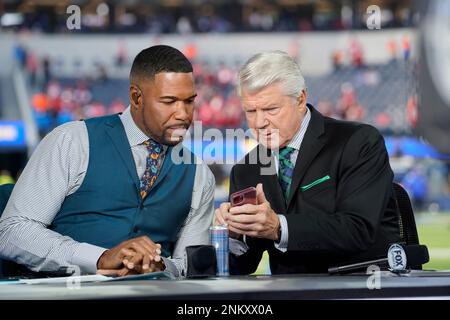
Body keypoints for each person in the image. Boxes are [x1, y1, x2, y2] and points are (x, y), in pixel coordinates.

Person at [0, 45, 215, 278]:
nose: (183, 114)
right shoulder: (72, 141)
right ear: (136, 97)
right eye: (169, 101)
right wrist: (99, 258)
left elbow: (191, 266)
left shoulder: (200, 175)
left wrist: (161, 266)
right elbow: (12, 231)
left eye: (189, 101)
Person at [215, 51, 401, 274]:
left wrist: (278, 227)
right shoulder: (245, 170)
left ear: (300, 99)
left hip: (360, 290)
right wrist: (234, 235)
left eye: (270, 109)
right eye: (251, 111)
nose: (259, 122)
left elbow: (358, 229)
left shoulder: (358, 142)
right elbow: (242, 266)